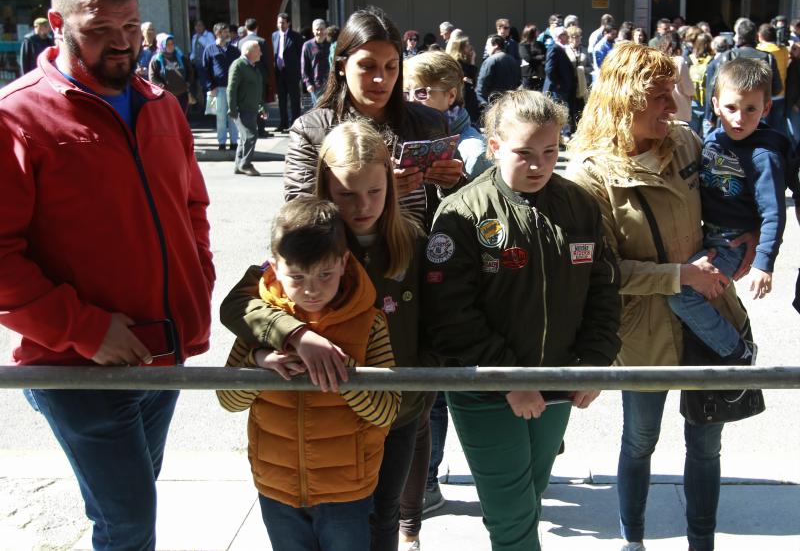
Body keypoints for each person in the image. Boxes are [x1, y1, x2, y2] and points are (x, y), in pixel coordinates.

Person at [0, 0, 214, 551]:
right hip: (78, 368)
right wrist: (87, 331)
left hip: (162, 352)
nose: (122, 44)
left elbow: (192, 205)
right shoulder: (16, 116)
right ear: (56, 24)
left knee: (133, 505)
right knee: (128, 523)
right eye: (99, 30)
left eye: (130, 27)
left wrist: (198, 277)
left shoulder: (161, 104)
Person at [565, 42, 754, 551]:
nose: (673, 107)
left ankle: (701, 541)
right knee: (639, 440)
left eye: (673, 93)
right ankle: (633, 540)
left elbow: (728, 201)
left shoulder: (686, 143)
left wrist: (747, 234)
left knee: (706, 445)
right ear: (624, 99)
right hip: (643, 333)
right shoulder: (589, 175)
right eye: (660, 96)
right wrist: (678, 276)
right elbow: (600, 272)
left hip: (710, 317)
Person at [421, 89, 621, 551]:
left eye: (550, 151)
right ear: (494, 147)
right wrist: (508, 378)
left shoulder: (579, 205)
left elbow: (605, 288)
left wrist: (594, 361)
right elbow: (449, 314)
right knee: (511, 514)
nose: (539, 165)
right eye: (524, 153)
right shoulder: (461, 212)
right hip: (485, 387)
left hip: (557, 381)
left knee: (531, 491)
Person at [221, 118, 430, 551]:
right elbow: (237, 303)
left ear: (391, 186)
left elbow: (438, 320)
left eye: (375, 191)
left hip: (397, 409)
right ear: (325, 186)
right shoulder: (307, 239)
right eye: (347, 194)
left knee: (383, 517)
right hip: (320, 425)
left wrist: (423, 385)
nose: (363, 206)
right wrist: (294, 334)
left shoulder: (411, 241)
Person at [217, 195, 400, 551]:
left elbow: (386, 412)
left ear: (344, 262)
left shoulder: (369, 323)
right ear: (274, 268)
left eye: (325, 274)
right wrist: (258, 363)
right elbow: (228, 399)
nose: (311, 289)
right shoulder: (261, 324)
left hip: (346, 490)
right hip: (276, 488)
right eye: (297, 277)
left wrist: (341, 371)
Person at [283, 7, 460, 231]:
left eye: (391, 67)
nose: (380, 78)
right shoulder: (310, 130)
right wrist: (377, 192)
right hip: (347, 253)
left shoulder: (430, 122)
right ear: (341, 66)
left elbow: (461, 208)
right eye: (367, 67)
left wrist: (454, 183)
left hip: (423, 251)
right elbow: (301, 217)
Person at [668, 57, 786, 363]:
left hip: (733, 244)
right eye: (731, 108)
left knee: (681, 294)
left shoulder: (763, 156)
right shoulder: (713, 138)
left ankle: (738, 353)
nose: (739, 119)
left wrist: (764, 264)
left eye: (750, 110)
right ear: (716, 105)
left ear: (766, 109)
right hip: (709, 235)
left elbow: (774, 213)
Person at [404, 51, 491, 179]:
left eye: (421, 92)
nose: (411, 100)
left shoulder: (475, 154)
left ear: (451, 96)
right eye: (406, 93)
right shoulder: (407, 137)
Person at [228, 39, 267, 177]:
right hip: (241, 109)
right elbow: (231, 89)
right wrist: (232, 109)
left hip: (251, 109)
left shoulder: (252, 67)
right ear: (248, 52)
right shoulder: (238, 65)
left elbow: (257, 89)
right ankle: (245, 164)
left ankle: (239, 165)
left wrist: (262, 107)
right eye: (258, 50)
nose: (261, 53)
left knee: (245, 137)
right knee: (251, 135)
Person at [203, 22, 240, 150]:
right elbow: (205, 70)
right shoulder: (210, 49)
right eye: (225, 32)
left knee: (233, 116)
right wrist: (211, 86)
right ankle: (222, 142)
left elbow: (240, 67)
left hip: (233, 88)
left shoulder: (234, 50)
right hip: (218, 88)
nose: (228, 34)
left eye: (228, 31)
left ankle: (234, 142)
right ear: (217, 33)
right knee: (221, 117)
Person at [238, 17, 273, 138]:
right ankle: (261, 129)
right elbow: (266, 59)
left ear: (245, 28)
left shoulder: (240, 42)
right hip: (259, 76)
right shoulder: (261, 41)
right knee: (260, 101)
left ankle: (249, 128)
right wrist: (268, 74)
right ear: (257, 28)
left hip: (245, 76)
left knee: (248, 101)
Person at [148, 32, 194, 116]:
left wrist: (188, 83)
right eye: (168, 44)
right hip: (166, 96)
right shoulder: (156, 60)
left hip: (182, 95)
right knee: (169, 118)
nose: (171, 46)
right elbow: (152, 76)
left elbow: (190, 71)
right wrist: (161, 86)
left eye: (172, 44)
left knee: (182, 118)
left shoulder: (181, 57)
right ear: (162, 45)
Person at [272, 12, 304, 131]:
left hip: (292, 73)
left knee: (294, 99)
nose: (280, 25)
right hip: (280, 72)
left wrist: (300, 72)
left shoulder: (296, 36)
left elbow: (301, 55)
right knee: (282, 99)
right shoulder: (274, 35)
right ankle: (283, 123)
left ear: (288, 23)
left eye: (283, 23)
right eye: (279, 23)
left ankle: (295, 123)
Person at [757, 23, 789, 133]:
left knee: (763, 129)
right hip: (780, 94)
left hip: (764, 96)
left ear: (760, 36)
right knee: (777, 128)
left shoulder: (759, 50)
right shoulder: (784, 50)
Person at [476, 34, 521, 110]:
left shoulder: (490, 61)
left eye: (487, 45)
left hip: (494, 106)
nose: (486, 48)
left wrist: (483, 104)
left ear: (496, 46)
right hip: (509, 105)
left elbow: (481, 86)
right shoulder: (513, 60)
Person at [446, 29, 481, 123]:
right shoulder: (458, 62)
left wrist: (472, 60)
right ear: (461, 48)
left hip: (466, 97)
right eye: (467, 45)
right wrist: (468, 79)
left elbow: (471, 80)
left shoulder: (463, 61)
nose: (470, 47)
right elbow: (468, 80)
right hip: (464, 99)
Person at [658, 31, 694, 123]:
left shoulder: (658, 60)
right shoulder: (679, 61)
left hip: (662, 110)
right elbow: (688, 89)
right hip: (680, 110)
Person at [543, 26, 575, 113]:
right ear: (559, 36)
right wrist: (557, 84)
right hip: (556, 90)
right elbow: (549, 69)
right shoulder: (554, 48)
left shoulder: (562, 48)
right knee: (557, 112)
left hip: (563, 89)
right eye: (565, 34)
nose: (567, 36)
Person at [565, 25, 591, 132]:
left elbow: (591, 67)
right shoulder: (565, 50)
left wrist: (583, 70)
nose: (576, 39)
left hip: (583, 84)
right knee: (571, 108)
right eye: (573, 37)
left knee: (583, 108)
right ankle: (571, 130)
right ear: (569, 38)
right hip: (570, 84)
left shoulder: (584, 50)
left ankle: (582, 130)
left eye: (578, 36)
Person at [301, 18, 331, 105]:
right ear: (313, 31)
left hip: (331, 83)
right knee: (319, 109)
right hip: (316, 85)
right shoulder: (307, 46)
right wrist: (308, 83)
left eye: (322, 29)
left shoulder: (331, 44)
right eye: (317, 29)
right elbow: (304, 67)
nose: (319, 32)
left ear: (325, 30)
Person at [688, 32, 713, 134]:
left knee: (692, 134)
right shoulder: (712, 60)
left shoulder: (689, 59)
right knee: (707, 134)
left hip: (693, 101)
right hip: (708, 102)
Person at [190, 19, 215, 112]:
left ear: (204, 26)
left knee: (206, 86)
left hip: (206, 65)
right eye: (196, 26)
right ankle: (197, 107)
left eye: (200, 25)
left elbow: (211, 46)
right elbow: (193, 50)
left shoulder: (209, 35)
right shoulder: (194, 37)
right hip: (196, 65)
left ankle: (208, 108)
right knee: (194, 86)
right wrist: (191, 57)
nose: (198, 28)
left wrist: (200, 38)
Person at [518, 23, 546, 91]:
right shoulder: (523, 45)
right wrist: (540, 58)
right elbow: (528, 58)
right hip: (529, 75)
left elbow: (546, 56)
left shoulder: (540, 44)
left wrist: (535, 58)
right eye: (536, 30)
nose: (538, 32)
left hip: (540, 75)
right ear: (531, 33)